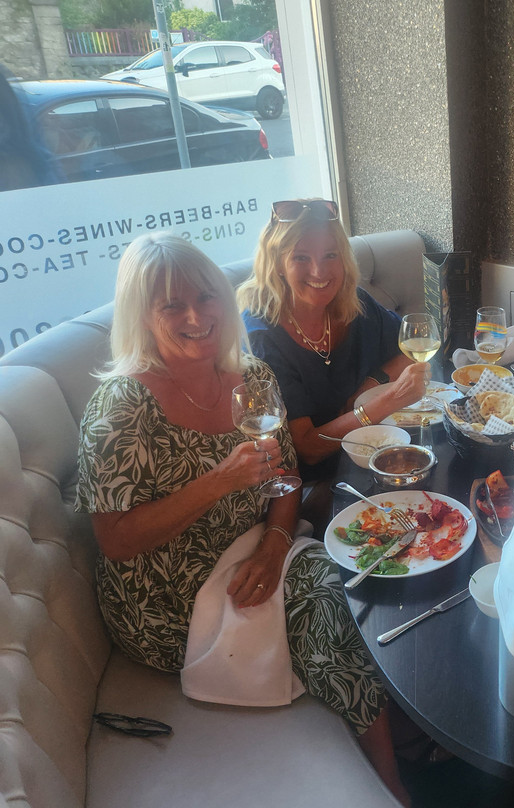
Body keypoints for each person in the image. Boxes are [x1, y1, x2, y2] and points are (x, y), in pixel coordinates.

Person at [76, 233, 410, 805]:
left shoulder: (253, 377)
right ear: (142, 315)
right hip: (167, 602)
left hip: (254, 548)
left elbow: (287, 474)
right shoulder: (121, 408)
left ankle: (393, 731)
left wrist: (275, 544)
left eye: (205, 297)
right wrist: (219, 482)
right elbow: (116, 541)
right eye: (171, 305)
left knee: (364, 572)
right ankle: (393, 784)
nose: (195, 317)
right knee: (330, 608)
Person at [237, 199, 427, 484]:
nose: (319, 271)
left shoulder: (355, 302)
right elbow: (309, 448)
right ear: (277, 263)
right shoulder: (261, 337)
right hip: (319, 483)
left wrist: (371, 383)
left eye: (330, 255)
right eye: (301, 258)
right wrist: (389, 400)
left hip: (379, 454)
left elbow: (414, 346)